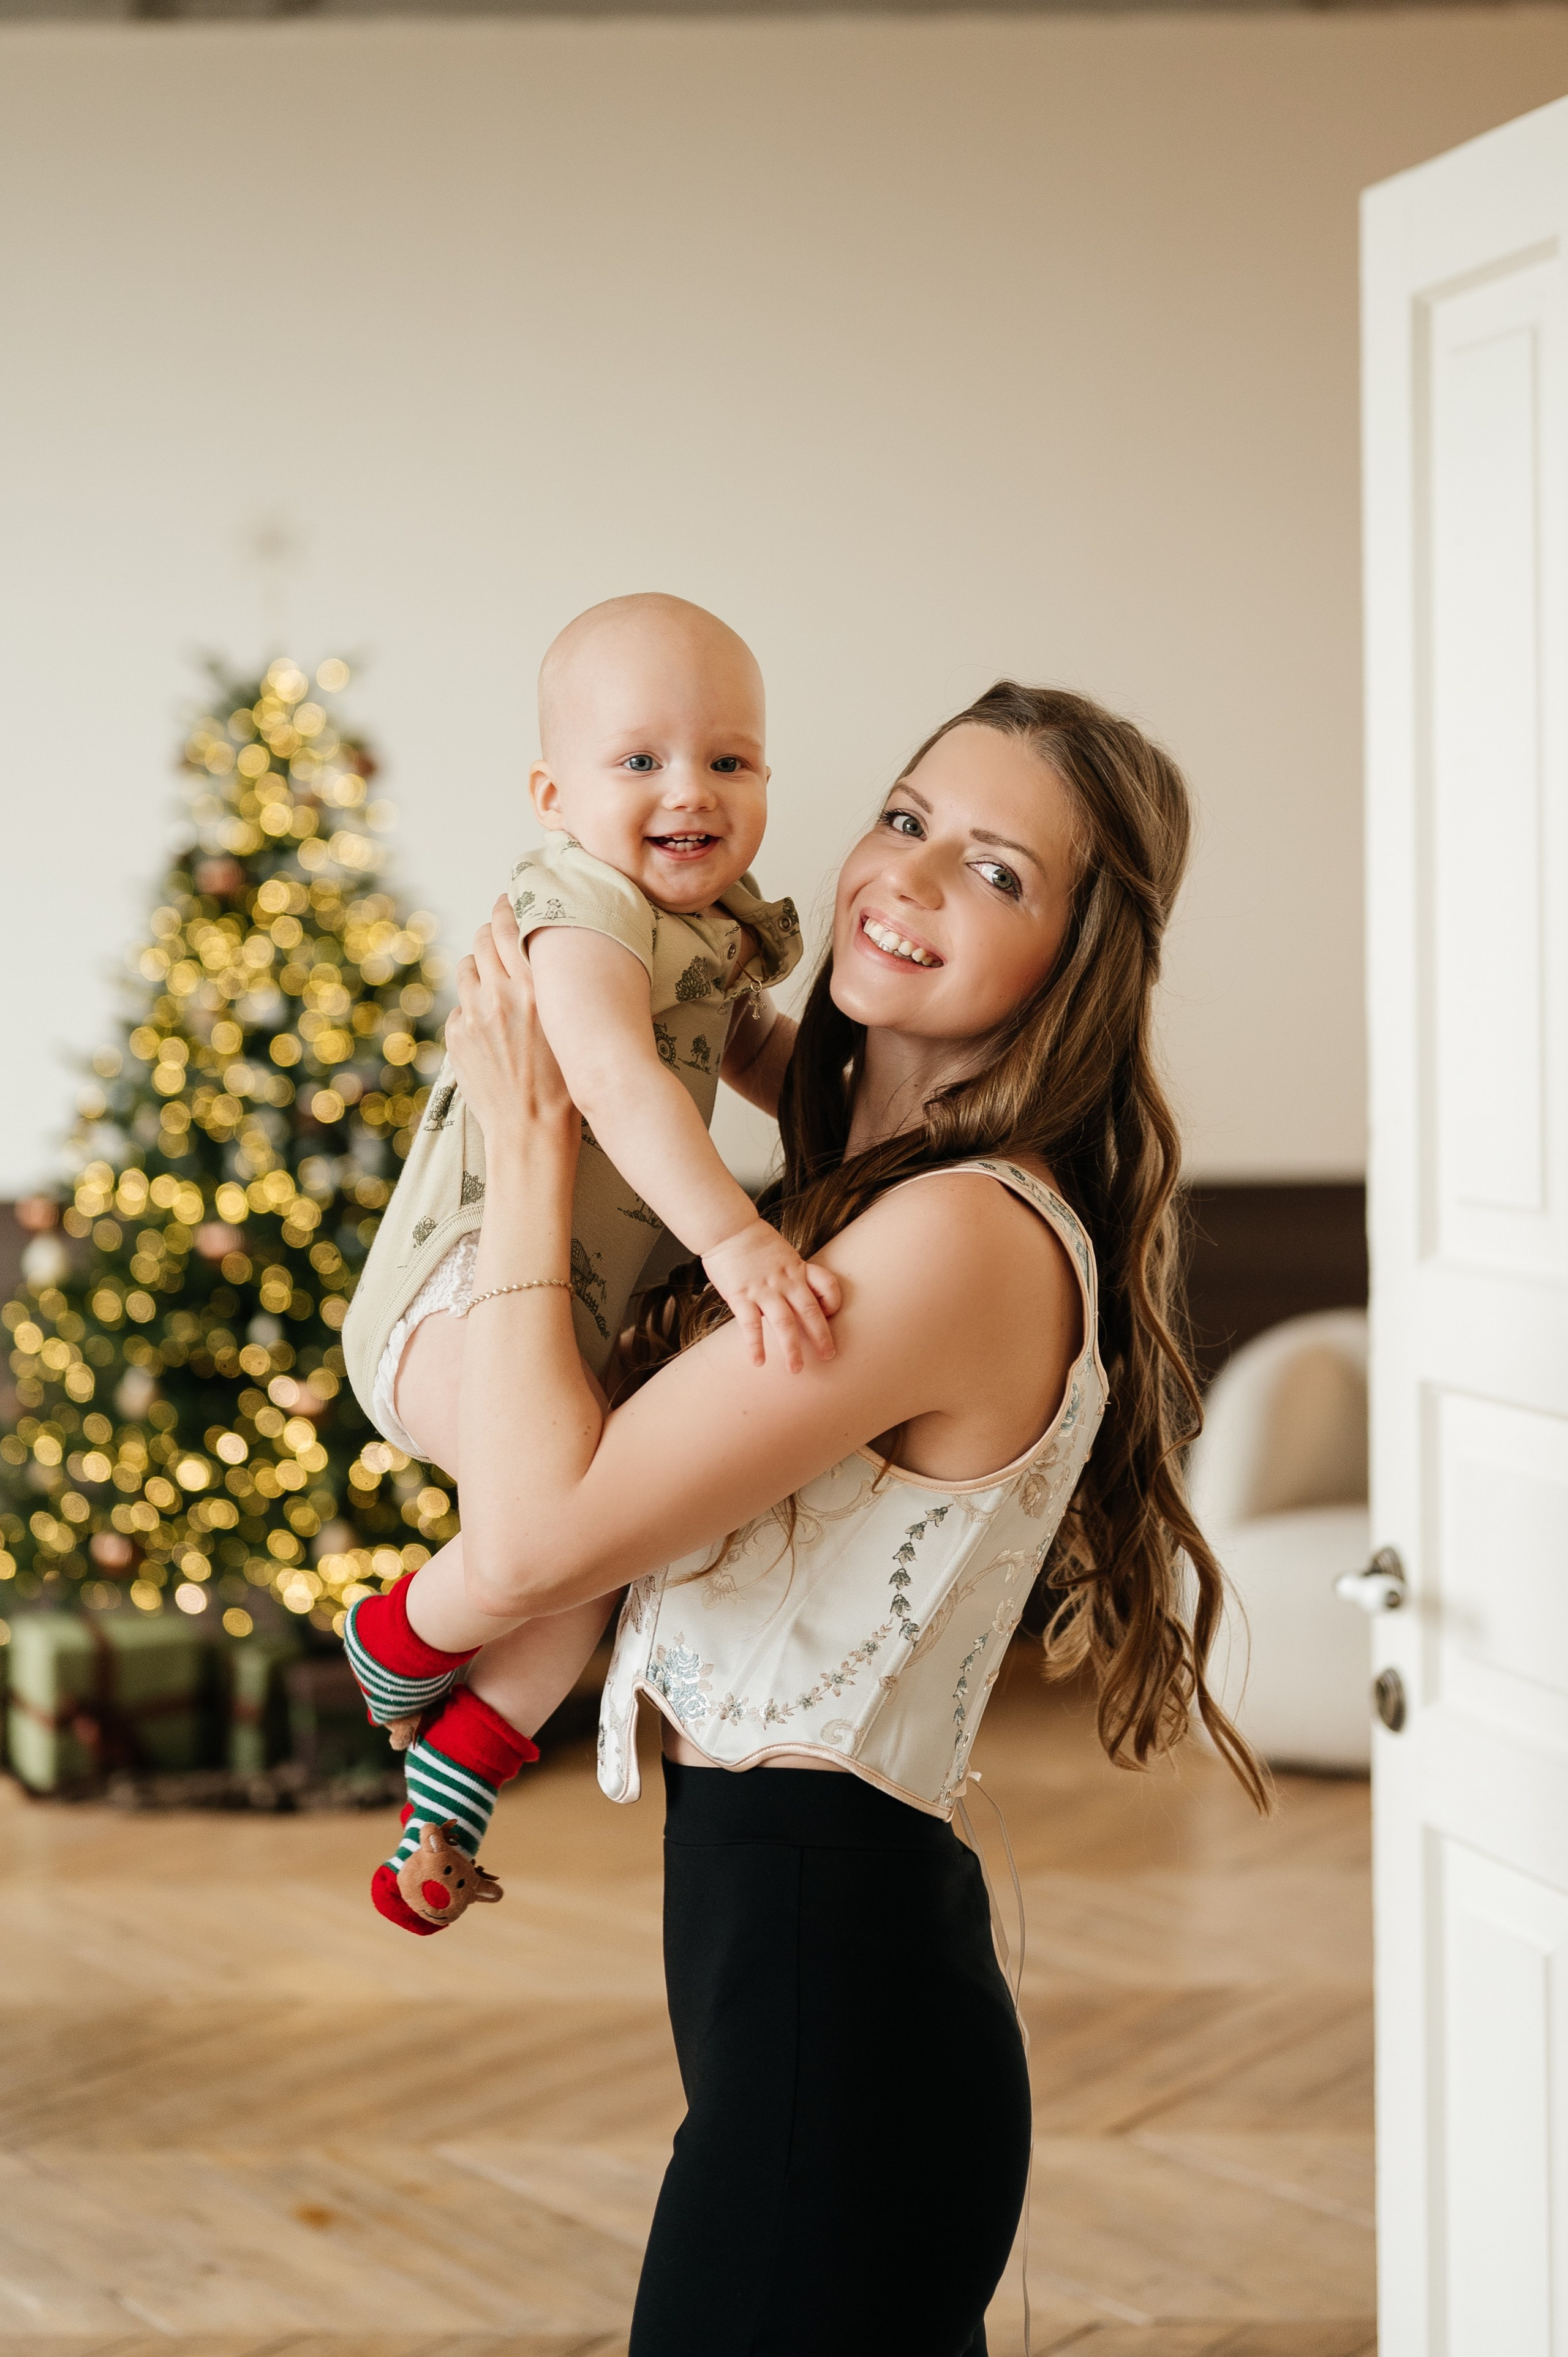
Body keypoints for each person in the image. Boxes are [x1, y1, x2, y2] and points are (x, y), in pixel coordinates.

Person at [363, 679, 1267, 2355]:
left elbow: (542, 1540)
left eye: (998, 872)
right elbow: (741, 1057)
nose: (909, 878)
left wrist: (526, 1133)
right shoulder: (868, 1180)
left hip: (842, 2028)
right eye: (909, 819)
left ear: (1082, 954)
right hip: (802, 1986)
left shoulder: (958, 1242)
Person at [339, 596, 836, 1880]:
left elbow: (758, 1054)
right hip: (458, 1292)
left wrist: (871, 1126)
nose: (692, 790)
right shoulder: (573, 908)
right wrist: (734, 1242)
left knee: (601, 1547)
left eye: (729, 760)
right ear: (552, 793)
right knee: (542, 1536)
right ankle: (402, 1632)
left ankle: (447, 1808)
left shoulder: (709, 932)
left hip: (582, 1306)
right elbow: (615, 1081)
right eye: (640, 761)